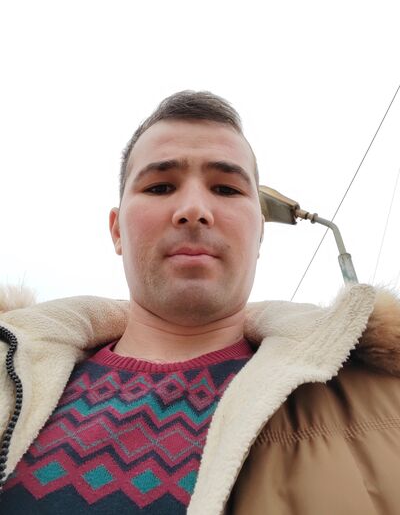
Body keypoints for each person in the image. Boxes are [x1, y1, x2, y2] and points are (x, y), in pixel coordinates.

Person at [0, 91, 399, 515]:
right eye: (160, 187)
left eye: (226, 188)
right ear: (117, 231)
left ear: (260, 234)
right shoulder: (11, 370)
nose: (193, 210)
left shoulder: (387, 403)